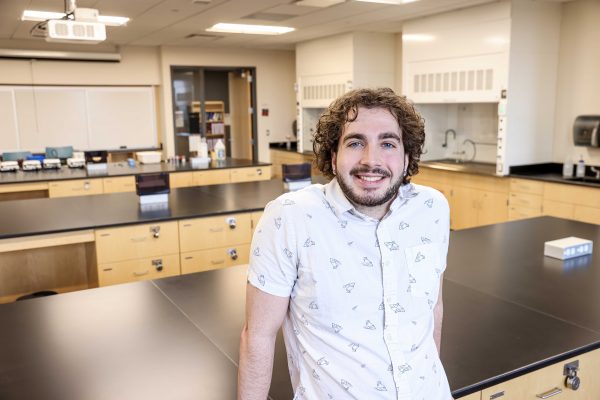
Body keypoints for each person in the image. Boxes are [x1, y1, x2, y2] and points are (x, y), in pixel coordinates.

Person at [238, 87, 452, 400]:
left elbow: (433, 307)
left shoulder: (432, 208)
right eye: (355, 142)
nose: (371, 160)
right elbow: (257, 336)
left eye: (388, 143)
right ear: (334, 155)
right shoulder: (291, 217)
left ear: (407, 157)